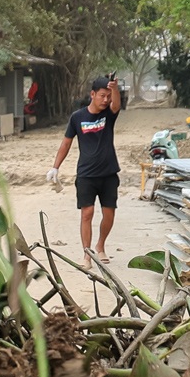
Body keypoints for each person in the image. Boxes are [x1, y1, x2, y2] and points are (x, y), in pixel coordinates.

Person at [48, 73, 124, 264]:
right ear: (92, 94)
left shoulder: (109, 114)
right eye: (102, 96)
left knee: (109, 214)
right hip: (86, 175)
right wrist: (55, 167)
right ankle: (87, 254)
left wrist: (114, 88)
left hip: (108, 173)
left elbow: (116, 105)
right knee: (86, 214)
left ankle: (100, 245)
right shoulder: (77, 117)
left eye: (108, 96)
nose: (105, 100)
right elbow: (66, 144)